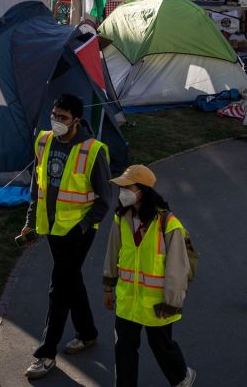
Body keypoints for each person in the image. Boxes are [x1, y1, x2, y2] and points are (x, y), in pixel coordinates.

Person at [20, 94, 112, 380]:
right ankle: (87, 333)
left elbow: (104, 200)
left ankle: (46, 353)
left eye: (62, 117)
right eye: (54, 115)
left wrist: (83, 226)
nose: (56, 121)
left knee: (58, 288)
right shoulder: (44, 141)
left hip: (78, 232)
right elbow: (38, 184)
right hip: (52, 228)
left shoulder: (94, 150)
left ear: (77, 120)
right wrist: (30, 222)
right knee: (71, 281)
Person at [103, 165, 196, 387]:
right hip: (127, 300)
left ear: (142, 190)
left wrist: (172, 303)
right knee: (124, 346)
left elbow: (177, 268)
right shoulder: (121, 218)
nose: (122, 192)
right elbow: (112, 252)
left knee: (161, 345)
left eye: (127, 187)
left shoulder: (168, 223)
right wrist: (108, 286)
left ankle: (182, 377)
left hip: (157, 304)